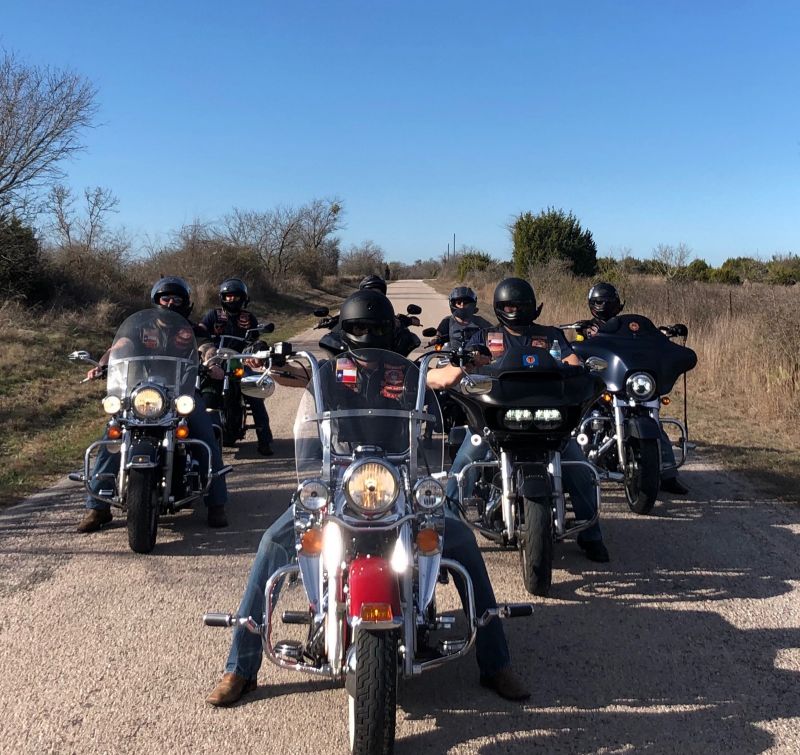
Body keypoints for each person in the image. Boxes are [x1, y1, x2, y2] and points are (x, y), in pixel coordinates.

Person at [205, 289, 530, 707]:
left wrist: (466, 364)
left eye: (374, 328)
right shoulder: (328, 371)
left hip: (402, 477)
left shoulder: (409, 373)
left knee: (462, 542)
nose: (366, 335)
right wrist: (265, 363)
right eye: (358, 328)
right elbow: (291, 376)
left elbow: (440, 377)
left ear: (389, 331)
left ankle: (496, 662)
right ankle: (240, 667)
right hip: (339, 478)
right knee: (273, 543)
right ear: (346, 331)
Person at [427, 277, 610, 563]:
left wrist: (585, 376)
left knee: (581, 470)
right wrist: (437, 375)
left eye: (520, 305)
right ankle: (446, 541)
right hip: (495, 426)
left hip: (550, 426)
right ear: (500, 307)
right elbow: (454, 371)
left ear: (532, 307)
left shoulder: (550, 336)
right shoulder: (485, 337)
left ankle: (592, 536)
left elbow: (574, 364)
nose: (514, 310)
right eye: (508, 305)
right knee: (461, 472)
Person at [77, 277, 230, 532]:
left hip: (182, 394)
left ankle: (217, 503)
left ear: (185, 304)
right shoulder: (140, 328)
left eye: (176, 299)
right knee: (112, 438)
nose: (170, 302)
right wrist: (104, 364)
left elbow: (207, 349)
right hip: (142, 394)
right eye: (165, 298)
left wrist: (213, 363)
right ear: (156, 301)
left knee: (205, 438)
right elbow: (119, 346)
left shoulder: (190, 330)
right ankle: (97, 507)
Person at [580, 282, 688, 495]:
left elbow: (644, 340)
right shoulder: (586, 329)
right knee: (584, 418)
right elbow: (579, 352)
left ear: (617, 305)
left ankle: (667, 473)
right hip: (601, 386)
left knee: (654, 423)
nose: (603, 306)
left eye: (607, 302)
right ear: (592, 305)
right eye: (598, 302)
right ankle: (579, 469)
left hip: (626, 384)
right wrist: (580, 332)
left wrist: (664, 332)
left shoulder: (624, 327)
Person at [195, 278, 274, 456]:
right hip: (215, 359)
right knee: (197, 389)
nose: (232, 300)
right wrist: (199, 335)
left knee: (254, 391)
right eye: (228, 297)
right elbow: (201, 331)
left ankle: (265, 439)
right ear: (222, 298)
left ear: (244, 298)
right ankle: (193, 437)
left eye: (236, 297)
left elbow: (254, 340)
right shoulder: (213, 315)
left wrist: (259, 345)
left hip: (239, 360)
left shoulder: (249, 318)